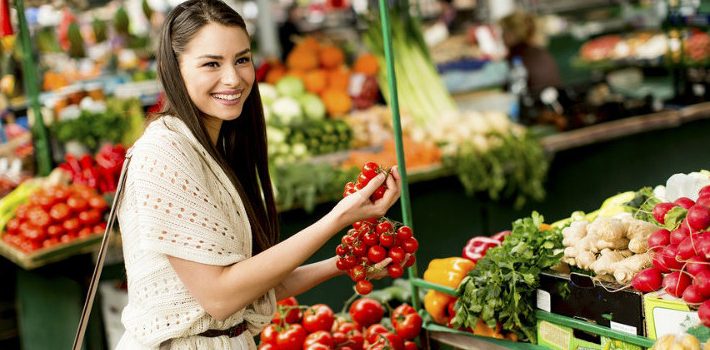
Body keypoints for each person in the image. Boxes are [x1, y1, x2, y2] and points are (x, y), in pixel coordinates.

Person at [114, 1, 402, 349]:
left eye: (242, 59)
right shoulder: (164, 152)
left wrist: (346, 262)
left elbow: (254, 288)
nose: (234, 78)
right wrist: (339, 218)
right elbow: (220, 298)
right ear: (172, 68)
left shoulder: (214, 147)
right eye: (211, 64)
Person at [499, 11, 562, 94]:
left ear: (513, 34)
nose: (501, 36)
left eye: (504, 32)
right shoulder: (538, 52)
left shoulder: (519, 55)